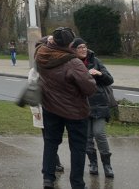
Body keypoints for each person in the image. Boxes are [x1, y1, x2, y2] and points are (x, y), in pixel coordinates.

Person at [35, 27, 96, 189]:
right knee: (77, 147)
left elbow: (39, 43)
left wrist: (48, 39)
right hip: (75, 111)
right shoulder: (73, 62)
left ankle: (48, 178)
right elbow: (90, 88)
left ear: (53, 41)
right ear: (70, 44)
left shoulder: (41, 54)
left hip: (50, 107)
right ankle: (77, 183)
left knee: (50, 142)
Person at [71, 38, 115, 178]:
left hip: (99, 104)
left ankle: (107, 165)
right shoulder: (71, 63)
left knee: (99, 133)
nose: (83, 49)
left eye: (84, 47)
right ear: (74, 50)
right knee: (87, 137)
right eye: (80, 47)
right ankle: (93, 163)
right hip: (82, 105)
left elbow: (110, 80)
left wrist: (99, 74)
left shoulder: (95, 61)